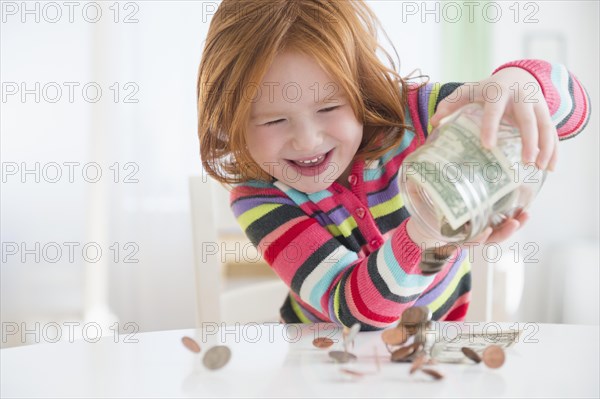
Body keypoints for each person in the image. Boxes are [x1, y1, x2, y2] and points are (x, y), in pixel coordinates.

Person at [197, 0, 590, 330]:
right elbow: (354, 313)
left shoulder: (414, 114)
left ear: (362, 92)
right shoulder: (259, 197)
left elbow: (574, 111)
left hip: (435, 350)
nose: (308, 140)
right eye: (274, 120)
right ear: (233, 120)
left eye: (329, 108)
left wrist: (521, 84)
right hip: (324, 361)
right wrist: (425, 233)